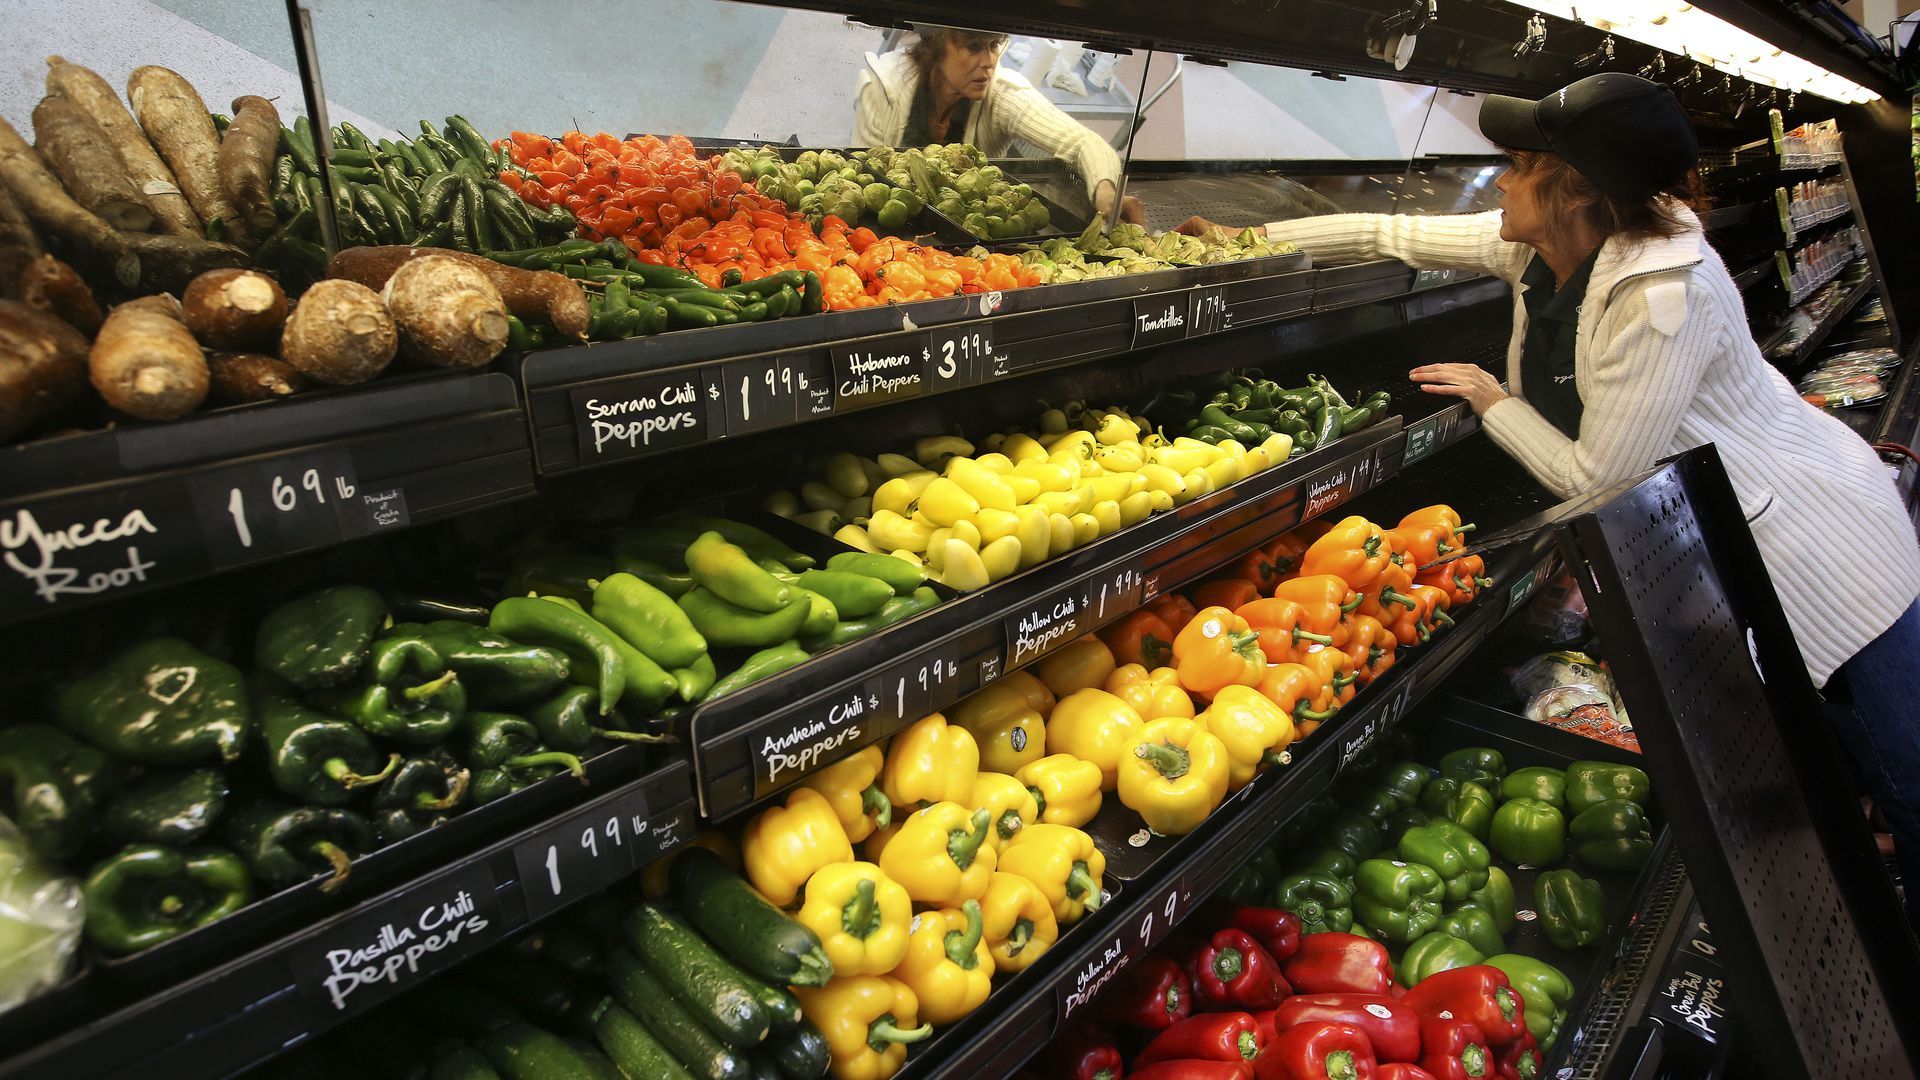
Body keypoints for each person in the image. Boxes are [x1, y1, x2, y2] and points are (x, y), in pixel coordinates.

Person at [1181, 72, 1920, 920]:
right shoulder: (1551, 244)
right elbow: (1394, 232)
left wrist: (1495, 402)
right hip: (1743, 540)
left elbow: (1597, 479)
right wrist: (1241, 238)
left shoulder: (1659, 296)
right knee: (1841, 770)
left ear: (1575, 192)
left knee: (1906, 773)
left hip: (1820, 552)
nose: (1499, 179)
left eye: (1521, 163)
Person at [854, 26, 1145, 225]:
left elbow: (1082, 141)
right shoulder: (882, 89)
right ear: (935, 47)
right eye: (974, 47)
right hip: (887, 235)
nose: (989, 61)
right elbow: (862, 181)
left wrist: (1105, 191)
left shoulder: (1001, 93)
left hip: (969, 241)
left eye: (994, 45)